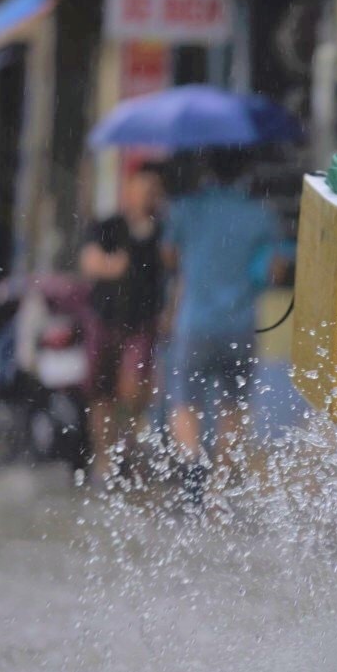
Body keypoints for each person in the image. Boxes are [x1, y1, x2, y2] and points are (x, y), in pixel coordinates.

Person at [160, 149, 284, 507]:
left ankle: (191, 467)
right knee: (234, 404)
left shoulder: (188, 209)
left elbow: (168, 255)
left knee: (185, 401)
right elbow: (275, 270)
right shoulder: (260, 215)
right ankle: (223, 484)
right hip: (240, 326)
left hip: (194, 323)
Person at [78, 162, 167, 484]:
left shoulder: (162, 234)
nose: (148, 197)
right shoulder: (109, 226)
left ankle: (125, 453)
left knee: (133, 390)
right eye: (143, 189)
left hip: (141, 324)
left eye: (154, 191)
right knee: (101, 394)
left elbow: (171, 275)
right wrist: (112, 265)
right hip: (104, 320)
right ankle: (103, 458)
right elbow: (89, 261)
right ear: (128, 191)